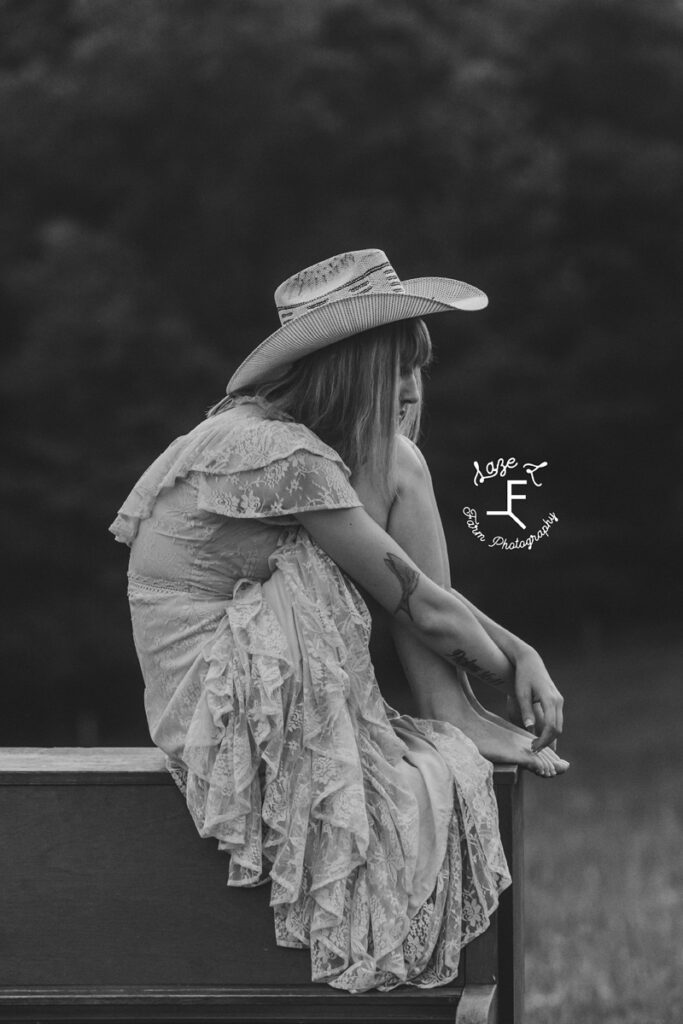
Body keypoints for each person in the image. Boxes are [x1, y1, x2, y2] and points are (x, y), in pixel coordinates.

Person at [109, 248, 568, 994]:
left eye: (419, 370)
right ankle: (451, 706)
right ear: (352, 369)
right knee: (399, 471)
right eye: (397, 370)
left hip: (242, 655)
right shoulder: (277, 454)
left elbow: (403, 582)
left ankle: (452, 705)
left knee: (397, 466)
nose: (413, 390)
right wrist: (514, 667)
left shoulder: (288, 441)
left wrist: (522, 651)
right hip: (221, 693)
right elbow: (413, 599)